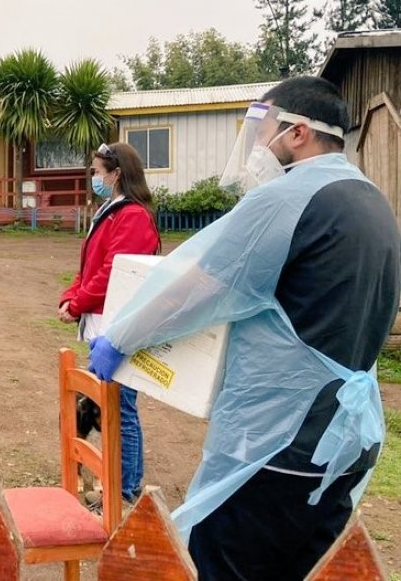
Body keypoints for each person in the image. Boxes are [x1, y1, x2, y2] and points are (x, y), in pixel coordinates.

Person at [88, 76, 400, 580]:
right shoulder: (371, 199)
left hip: (274, 444)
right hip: (346, 443)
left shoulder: (288, 198)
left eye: (262, 130)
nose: (257, 144)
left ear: (297, 132)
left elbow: (200, 288)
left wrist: (119, 337)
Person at [58, 142, 159, 505]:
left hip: (119, 328)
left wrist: (78, 302)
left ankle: (124, 489)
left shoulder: (132, 216)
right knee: (110, 404)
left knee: (120, 408)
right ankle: (121, 484)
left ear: (116, 174)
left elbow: (114, 272)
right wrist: (70, 297)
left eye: (98, 171)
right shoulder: (110, 211)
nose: (94, 177)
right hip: (103, 326)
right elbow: (89, 267)